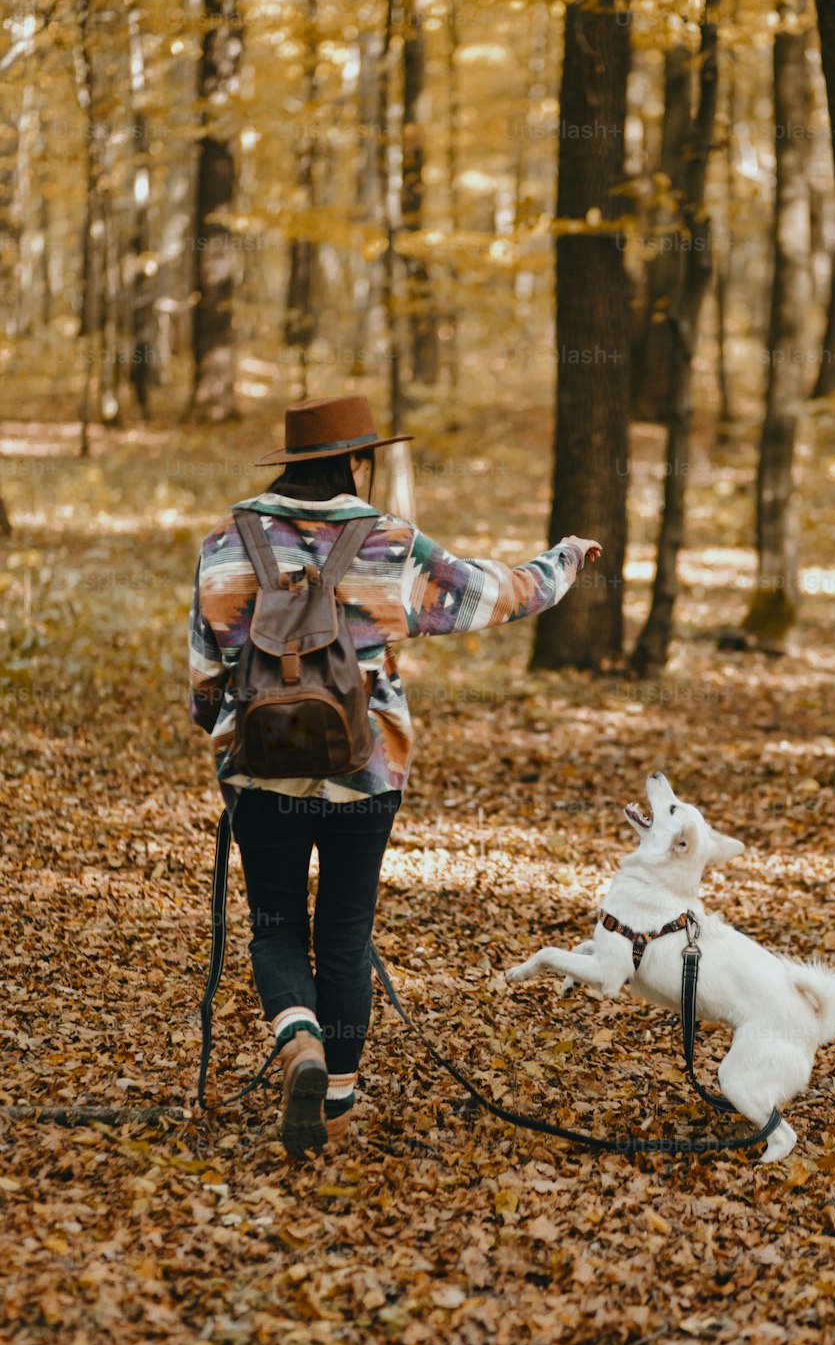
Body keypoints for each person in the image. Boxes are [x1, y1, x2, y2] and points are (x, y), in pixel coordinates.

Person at [188, 394, 601, 1159]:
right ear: (357, 461)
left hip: (258, 776)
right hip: (366, 774)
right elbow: (489, 595)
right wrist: (565, 560)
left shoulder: (223, 541)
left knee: (275, 926)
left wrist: (227, 738)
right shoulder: (389, 543)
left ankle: (300, 1039)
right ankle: (335, 1115)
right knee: (345, 937)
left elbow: (206, 675)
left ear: (289, 463)